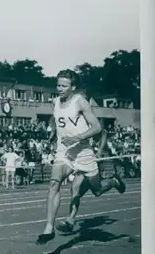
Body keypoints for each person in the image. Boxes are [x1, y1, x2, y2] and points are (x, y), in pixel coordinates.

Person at [36, 72, 125, 245]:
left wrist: (77, 138)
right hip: (64, 150)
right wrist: (54, 131)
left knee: (98, 190)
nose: (59, 89)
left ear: (73, 87)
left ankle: (113, 181)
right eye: (58, 85)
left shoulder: (80, 102)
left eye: (64, 86)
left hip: (83, 152)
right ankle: (49, 228)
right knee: (54, 183)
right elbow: (57, 118)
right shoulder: (55, 102)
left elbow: (97, 127)